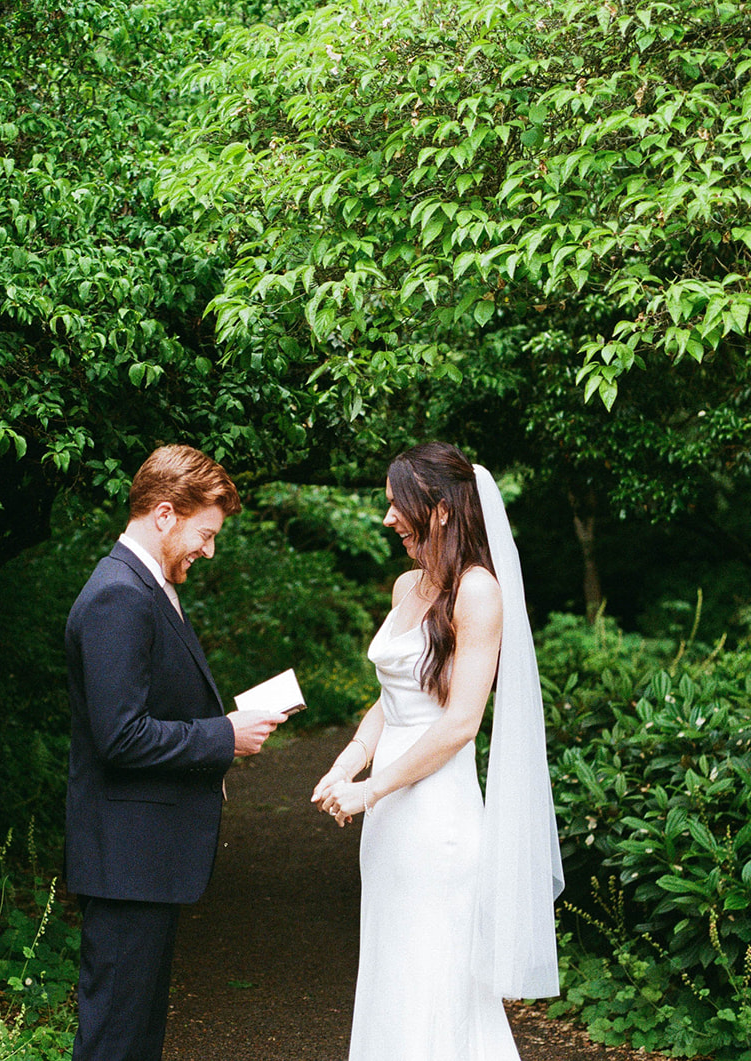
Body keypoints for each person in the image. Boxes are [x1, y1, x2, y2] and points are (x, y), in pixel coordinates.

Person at [313, 441, 564, 1061]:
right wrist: (348, 761)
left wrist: (371, 789)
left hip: (436, 818)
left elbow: (459, 723)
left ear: (442, 509)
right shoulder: (407, 585)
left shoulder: (479, 592)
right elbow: (391, 700)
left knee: (436, 978)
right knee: (392, 969)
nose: (388, 518)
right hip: (391, 818)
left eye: (399, 504)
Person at [65, 443, 284, 1061]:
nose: (208, 550)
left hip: (143, 861)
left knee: (135, 1039)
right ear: (165, 514)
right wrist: (225, 736)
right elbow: (120, 736)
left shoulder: (146, 586)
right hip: (127, 862)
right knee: (113, 1040)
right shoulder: (119, 595)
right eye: (205, 533)